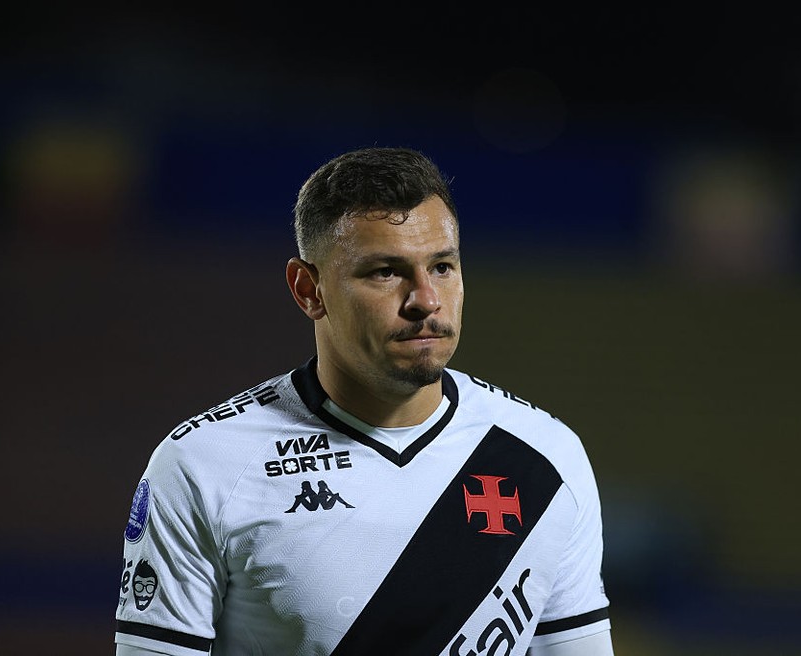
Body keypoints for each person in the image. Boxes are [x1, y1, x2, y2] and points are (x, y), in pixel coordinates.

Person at [114, 146, 614, 655]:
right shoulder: (205, 465)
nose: (426, 299)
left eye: (442, 266)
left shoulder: (546, 458)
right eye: (385, 272)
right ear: (308, 289)